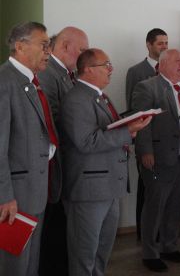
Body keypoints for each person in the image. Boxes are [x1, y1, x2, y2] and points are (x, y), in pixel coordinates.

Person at [60, 48, 150, 276]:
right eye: (106, 65)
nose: (111, 69)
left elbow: (106, 130)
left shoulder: (101, 96)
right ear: (88, 69)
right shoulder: (77, 98)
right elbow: (86, 142)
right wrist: (127, 131)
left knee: (102, 252)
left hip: (108, 185)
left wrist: (130, 124)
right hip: (89, 189)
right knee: (84, 254)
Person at [131, 49, 180, 272]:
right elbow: (142, 123)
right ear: (163, 64)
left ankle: (170, 246)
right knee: (155, 206)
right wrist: (145, 152)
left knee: (176, 206)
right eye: (177, 61)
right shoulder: (147, 87)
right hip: (159, 158)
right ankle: (150, 253)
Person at [0, 22, 53, 276]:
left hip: (34, 191)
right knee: (15, 266)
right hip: (14, 197)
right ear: (20, 46)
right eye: (44, 45)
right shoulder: (4, 81)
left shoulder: (31, 81)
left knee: (31, 263)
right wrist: (4, 196)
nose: (48, 51)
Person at [37, 26, 89, 276]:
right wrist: (89, 131)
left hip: (69, 164)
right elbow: (53, 121)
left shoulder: (68, 74)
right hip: (54, 167)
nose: (85, 55)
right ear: (66, 46)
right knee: (53, 234)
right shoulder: (48, 73)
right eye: (82, 49)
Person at [125, 28, 168, 240]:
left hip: (167, 140)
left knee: (163, 192)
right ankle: (145, 235)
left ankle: (161, 233)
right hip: (146, 138)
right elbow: (133, 111)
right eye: (160, 43)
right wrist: (142, 146)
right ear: (149, 45)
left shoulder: (169, 69)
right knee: (146, 188)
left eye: (166, 43)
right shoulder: (136, 71)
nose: (164, 47)